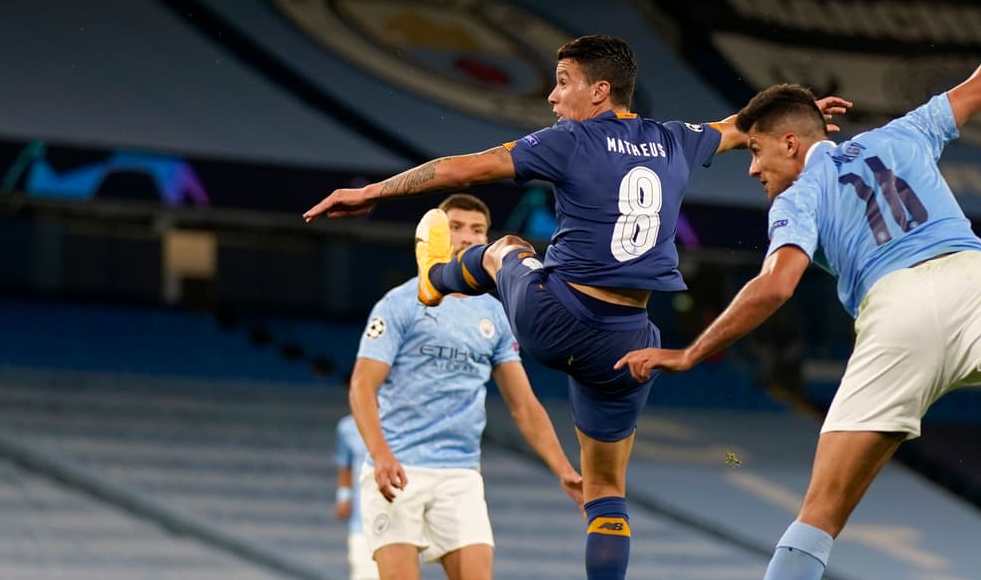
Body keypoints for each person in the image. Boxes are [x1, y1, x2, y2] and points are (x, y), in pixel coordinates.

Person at [615, 0, 981, 580]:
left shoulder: (798, 197)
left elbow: (776, 285)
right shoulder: (904, 134)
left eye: (757, 149)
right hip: (978, 278)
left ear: (791, 144)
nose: (751, 168)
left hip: (896, 310)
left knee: (820, 513)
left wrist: (691, 353)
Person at [306, 34, 848, 580]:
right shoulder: (674, 140)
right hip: (628, 341)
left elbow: (464, 169)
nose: (552, 96)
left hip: (557, 315)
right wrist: (798, 119)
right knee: (607, 492)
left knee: (504, 248)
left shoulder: (571, 140)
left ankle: (435, 281)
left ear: (600, 91)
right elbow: (738, 127)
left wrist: (374, 191)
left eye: (563, 83)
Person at [347, 193, 585, 580]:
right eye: (455, 227)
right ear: (435, 233)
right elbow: (361, 386)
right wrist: (381, 454)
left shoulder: (495, 313)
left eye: (477, 230)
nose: (466, 237)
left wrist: (563, 470)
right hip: (398, 468)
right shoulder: (400, 304)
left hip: (459, 473)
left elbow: (523, 404)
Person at [336, 413, 378, 580]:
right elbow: (344, 464)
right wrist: (343, 496)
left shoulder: (399, 421)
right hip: (361, 521)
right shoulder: (346, 427)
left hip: (398, 516)